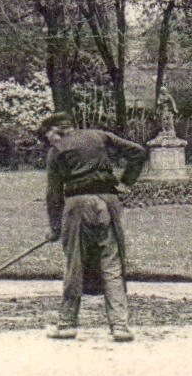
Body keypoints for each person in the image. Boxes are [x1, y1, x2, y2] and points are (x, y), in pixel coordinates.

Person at [38, 112, 147, 342]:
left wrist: (55, 227)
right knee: (113, 263)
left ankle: (67, 324)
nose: (49, 141)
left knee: (74, 263)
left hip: (77, 205)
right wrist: (126, 182)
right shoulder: (99, 136)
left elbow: (54, 194)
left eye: (48, 136)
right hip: (109, 202)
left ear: (56, 131)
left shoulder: (56, 150)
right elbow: (138, 152)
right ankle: (120, 327)